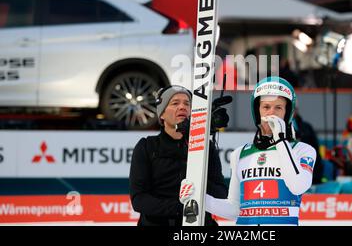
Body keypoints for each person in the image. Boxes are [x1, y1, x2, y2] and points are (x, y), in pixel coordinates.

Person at [180, 77, 316, 225]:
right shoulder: (240, 153)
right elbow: (233, 210)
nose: (272, 113)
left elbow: (298, 186)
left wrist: (281, 140)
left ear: (287, 113)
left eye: (278, 107)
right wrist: (199, 198)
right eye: (266, 107)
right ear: (257, 112)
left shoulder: (302, 150)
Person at [129, 85, 228, 226]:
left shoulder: (207, 148)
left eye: (187, 104)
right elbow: (139, 200)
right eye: (175, 103)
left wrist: (198, 179)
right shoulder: (146, 146)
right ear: (161, 114)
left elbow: (221, 194)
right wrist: (182, 209)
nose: (182, 107)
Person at [293, 112, 324, 184]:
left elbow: (315, 149)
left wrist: (317, 175)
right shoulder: (278, 126)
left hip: (309, 169)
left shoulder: (306, 127)